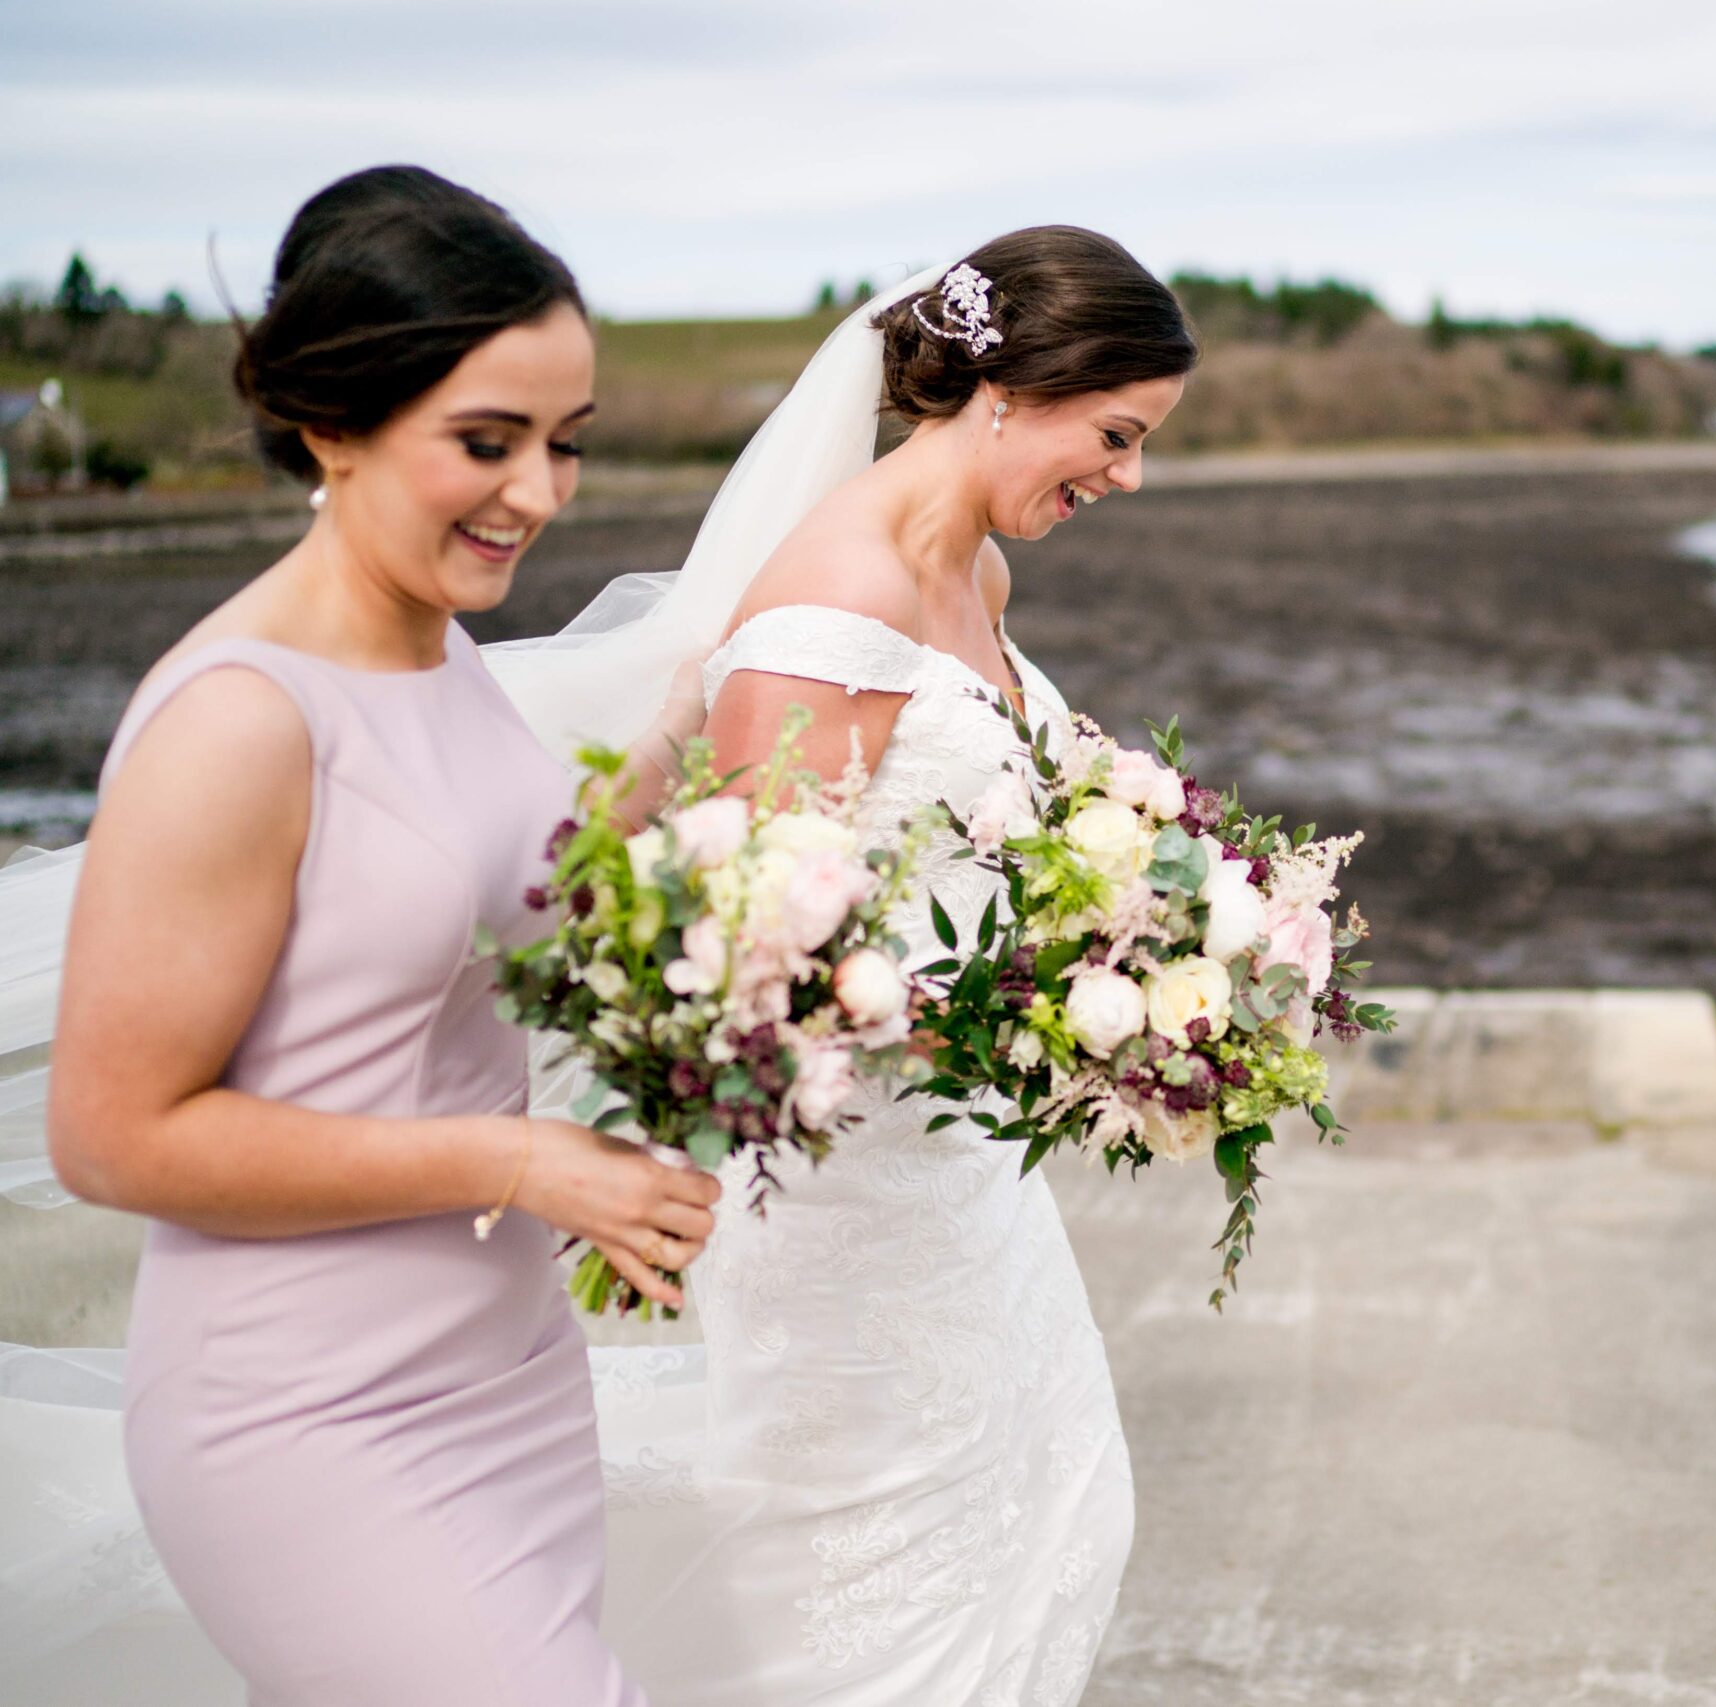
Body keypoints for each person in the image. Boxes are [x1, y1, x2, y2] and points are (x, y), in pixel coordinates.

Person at [26, 164, 716, 1705]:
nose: (537, 492)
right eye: (486, 443)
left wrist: (690, 757)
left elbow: (503, 902)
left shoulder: (443, 654)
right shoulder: (237, 722)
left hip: (507, 1378)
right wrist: (523, 1163)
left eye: (564, 444)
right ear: (332, 426)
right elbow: (114, 1136)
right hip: (310, 1419)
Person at [587, 228, 1194, 1706]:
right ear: (1009, 387)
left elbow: (962, 837)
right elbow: (737, 960)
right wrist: (985, 1009)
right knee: (873, 1601)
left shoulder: (971, 568)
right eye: (1114, 435)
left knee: (1057, 1516)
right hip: (840, 1197)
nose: (1125, 476)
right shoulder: (833, 605)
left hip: (960, 1176)